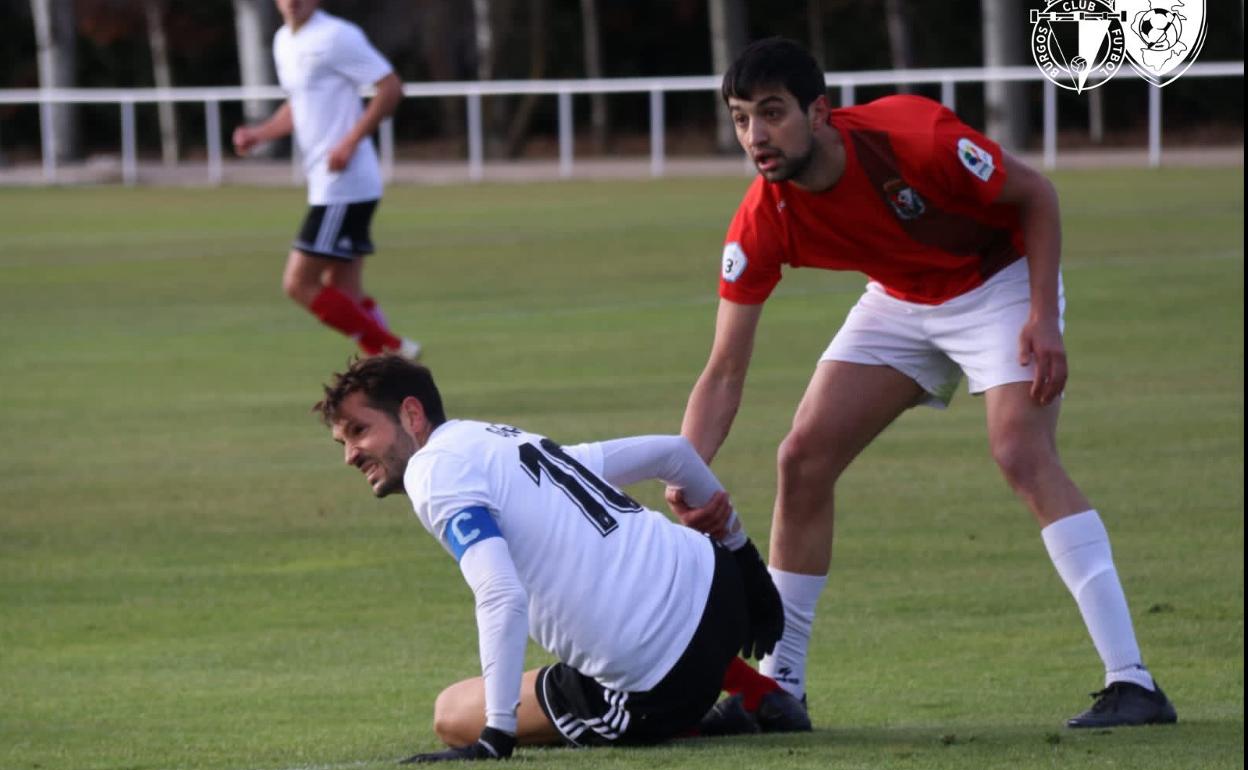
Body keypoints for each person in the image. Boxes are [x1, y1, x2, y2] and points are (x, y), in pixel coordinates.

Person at [669, 37, 1177, 729]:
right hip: (903, 299)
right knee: (802, 457)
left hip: (999, 280)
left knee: (1020, 453)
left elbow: (1036, 195)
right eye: (739, 117)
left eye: (772, 112)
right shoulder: (764, 214)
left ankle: (1135, 683)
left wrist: (1041, 319)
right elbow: (724, 370)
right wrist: (684, 469)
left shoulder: (911, 138)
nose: (755, 135)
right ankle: (779, 689)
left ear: (819, 112)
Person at [314, 355, 807, 763]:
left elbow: (499, 593)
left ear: (412, 415)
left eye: (360, 431)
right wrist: (747, 566)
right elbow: (674, 454)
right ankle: (760, 695)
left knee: (452, 712)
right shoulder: (499, 439)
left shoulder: (431, 472)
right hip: (722, 590)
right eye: (343, 441)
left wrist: (496, 736)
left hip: (658, 684)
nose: (350, 455)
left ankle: (704, 721)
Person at [233, 0, 420, 359]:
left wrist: (349, 142)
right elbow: (299, 104)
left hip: (344, 184)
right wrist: (261, 133)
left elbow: (390, 87)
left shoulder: (336, 35)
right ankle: (383, 368)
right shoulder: (282, 41)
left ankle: (394, 350)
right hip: (331, 183)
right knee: (344, 289)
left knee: (298, 283)